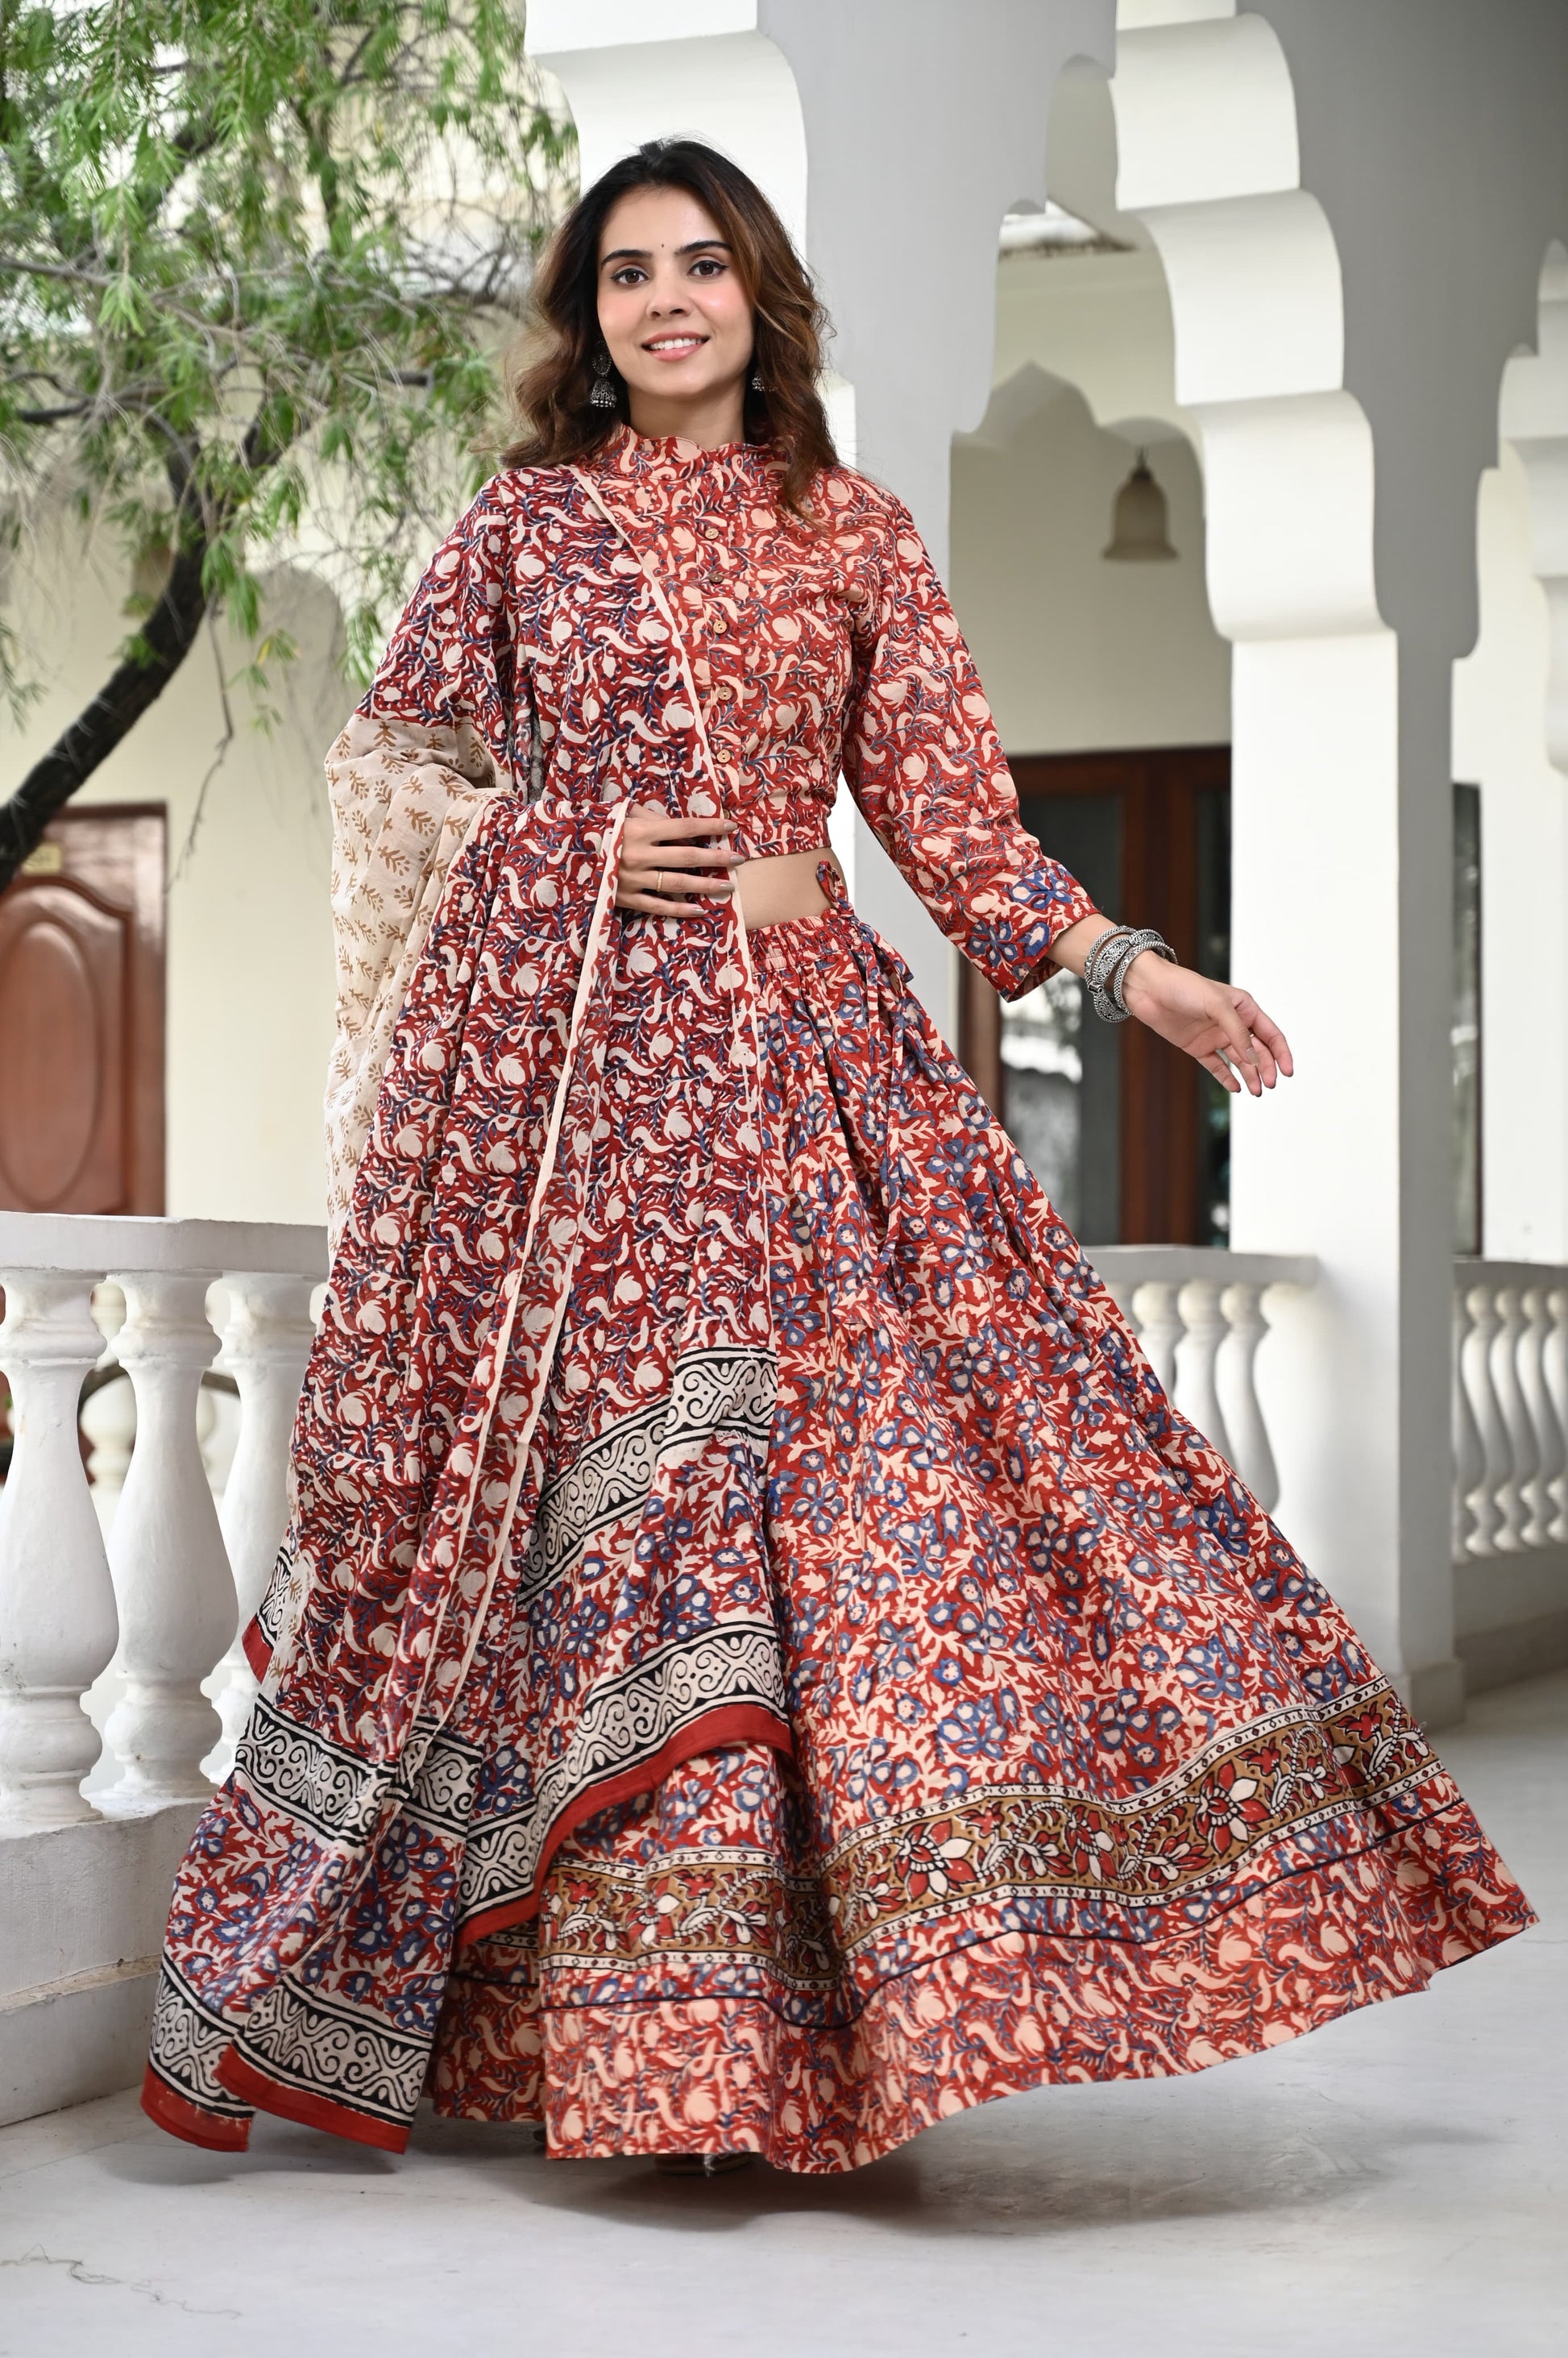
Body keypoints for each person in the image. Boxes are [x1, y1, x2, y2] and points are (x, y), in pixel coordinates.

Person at [143, 139, 1531, 2175]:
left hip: (812, 1087)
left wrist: (1130, 969)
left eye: (702, 265)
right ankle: (643, 2063)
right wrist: (567, 848)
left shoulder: (850, 532)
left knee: (876, 1527)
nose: (665, 301)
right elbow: (397, 766)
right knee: (643, 1548)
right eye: (625, 273)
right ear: (587, 315)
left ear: (760, 293)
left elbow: (957, 830)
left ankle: (808, 2042)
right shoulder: (522, 535)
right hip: (587, 1113)